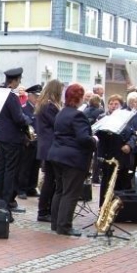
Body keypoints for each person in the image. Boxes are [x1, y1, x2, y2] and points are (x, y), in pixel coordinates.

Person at [47, 83, 95, 237]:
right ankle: (64, 226)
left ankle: (56, 223)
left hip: (57, 155)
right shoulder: (77, 115)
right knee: (70, 193)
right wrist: (94, 139)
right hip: (72, 158)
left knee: (60, 190)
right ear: (79, 98)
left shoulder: (62, 113)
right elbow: (83, 139)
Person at [95, 94, 137, 203]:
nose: (113, 106)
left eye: (116, 104)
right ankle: (104, 209)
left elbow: (134, 135)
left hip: (122, 156)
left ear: (121, 106)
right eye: (111, 104)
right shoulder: (102, 118)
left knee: (122, 183)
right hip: (107, 157)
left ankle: (120, 211)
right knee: (107, 184)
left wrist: (129, 145)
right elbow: (98, 135)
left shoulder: (127, 119)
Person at [0, 67, 29, 206]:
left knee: (2, 168)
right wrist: (28, 120)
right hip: (13, 138)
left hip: (3, 136)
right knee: (10, 170)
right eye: (18, 81)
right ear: (14, 81)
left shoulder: (0, 94)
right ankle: (7, 199)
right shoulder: (12, 96)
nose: (19, 83)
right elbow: (19, 118)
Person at [33, 79, 63, 223]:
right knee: (50, 180)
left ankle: (45, 209)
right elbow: (58, 123)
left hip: (46, 146)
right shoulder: (49, 106)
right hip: (51, 146)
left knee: (49, 180)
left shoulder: (43, 104)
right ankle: (44, 211)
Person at [18, 83, 42, 198]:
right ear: (30, 95)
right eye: (36, 96)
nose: (38, 98)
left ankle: (31, 187)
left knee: (35, 166)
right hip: (28, 141)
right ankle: (21, 188)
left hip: (38, 141)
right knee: (25, 166)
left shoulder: (39, 109)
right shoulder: (24, 108)